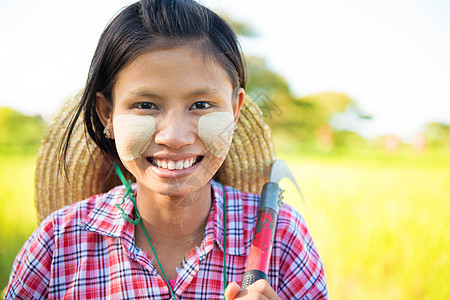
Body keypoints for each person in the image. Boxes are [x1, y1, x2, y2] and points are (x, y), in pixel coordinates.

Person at [5, 0, 328, 299]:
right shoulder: (57, 245)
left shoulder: (283, 237)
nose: (174, 137)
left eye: (201, 104)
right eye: (146, 105)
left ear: (235, 109)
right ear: (107, 114)